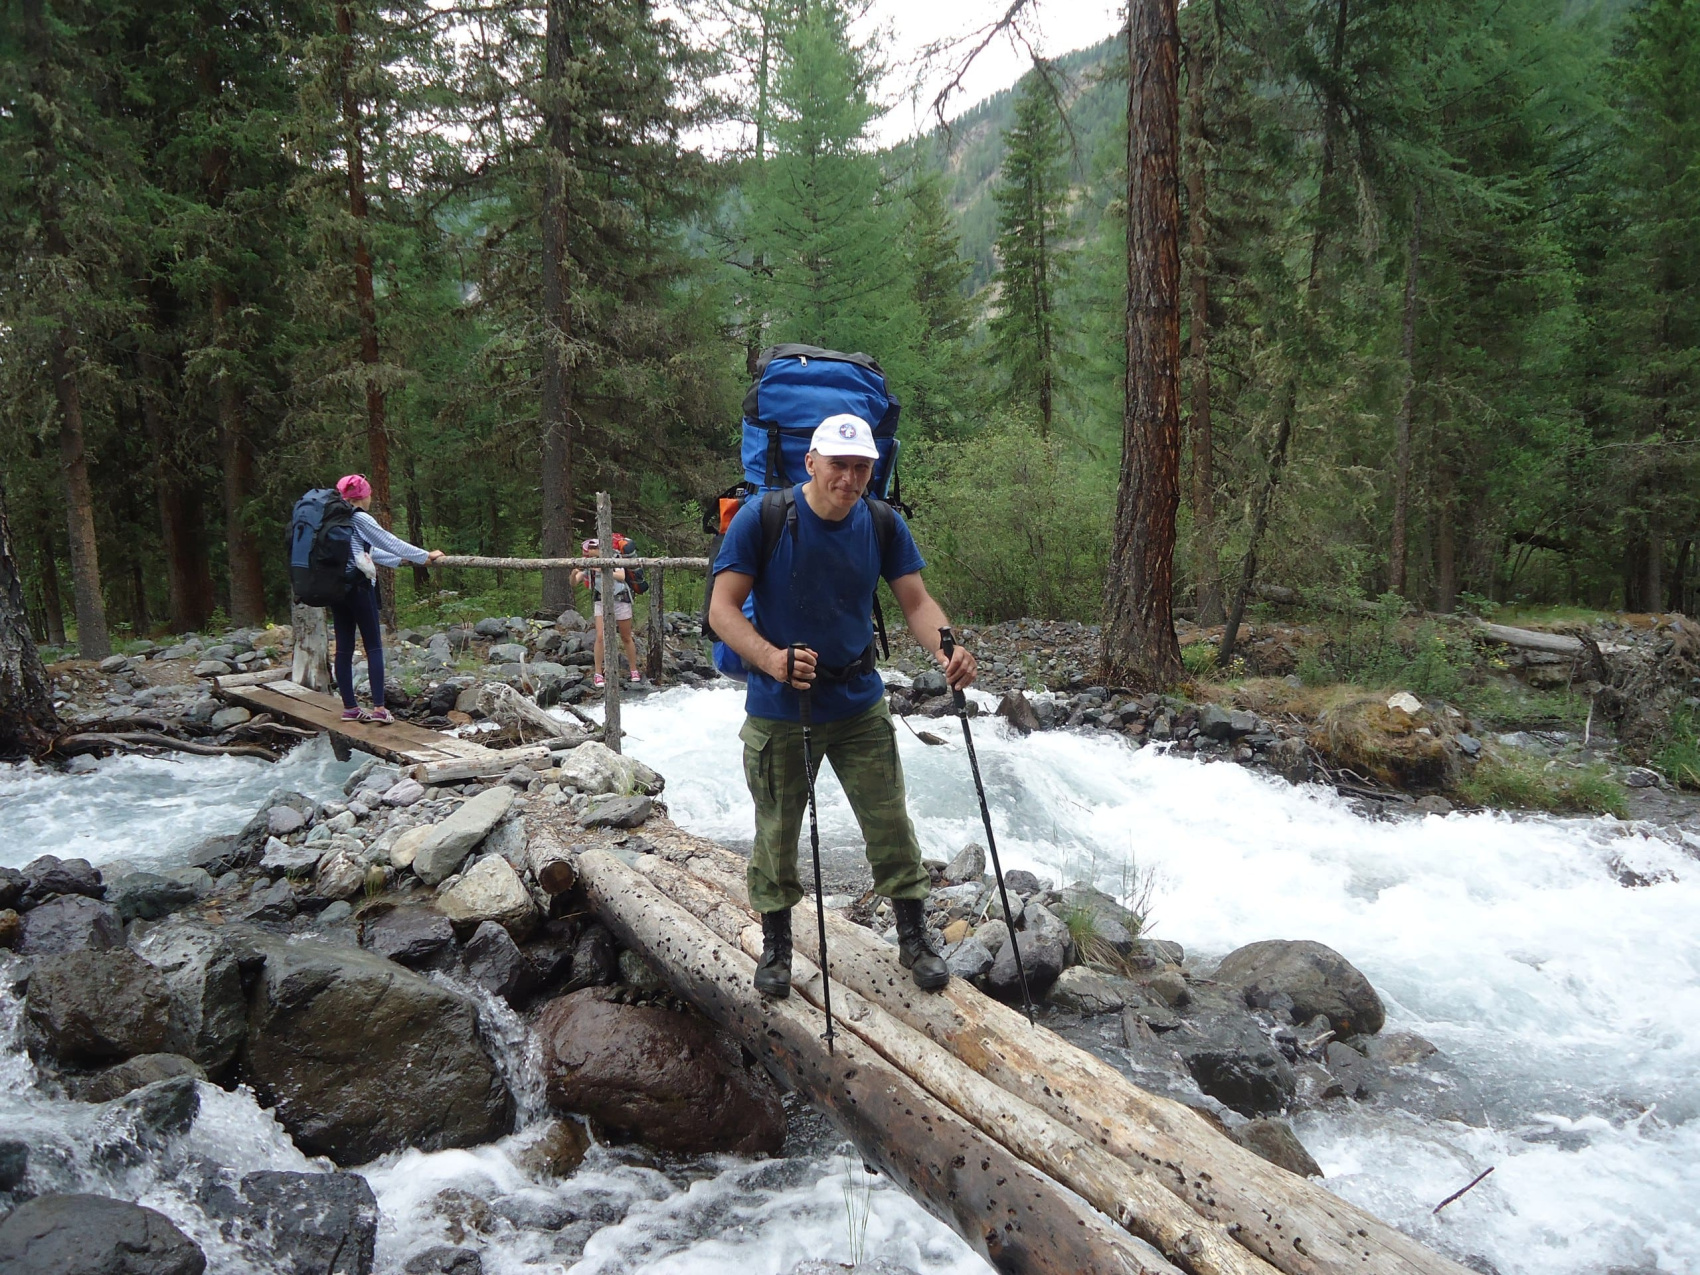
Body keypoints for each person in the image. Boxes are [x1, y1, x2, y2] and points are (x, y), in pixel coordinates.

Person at [708, 413, 977, 998]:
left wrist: (948, 646)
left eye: (861, 468)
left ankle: (912, 934)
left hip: (858, 701)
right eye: (839, 465)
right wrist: (773, 658)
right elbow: (722, 610)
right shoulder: (763, 517)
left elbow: (916, 602)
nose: (850, 478)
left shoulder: (881, 523)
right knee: (776, 831)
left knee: (889, 822)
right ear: (811, 462)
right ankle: (776, 942)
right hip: (782, 705)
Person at [330, 474, 444, 724]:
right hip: (359, 588)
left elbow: (369, 550)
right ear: (362, 497)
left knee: (344, 648)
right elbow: (389, 541)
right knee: (373, 646)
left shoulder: (335, 519)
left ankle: (350, 707)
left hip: (337, 589)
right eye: (369, 494)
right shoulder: (359, 517)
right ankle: (380, 709)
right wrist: (424, 556)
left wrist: (402, 561)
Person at [571, 536, 642, 688]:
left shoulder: (614, 557)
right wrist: (574, 572)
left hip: (620, 599)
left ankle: (633, 670)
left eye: (593, 548)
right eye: (588, 548)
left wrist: (602, 569)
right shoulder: (587, 563)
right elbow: (574, 582)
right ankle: (598, 673)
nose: (590, 551)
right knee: (600, 636)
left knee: (626, 636)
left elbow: (621, 576)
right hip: (600, 600)